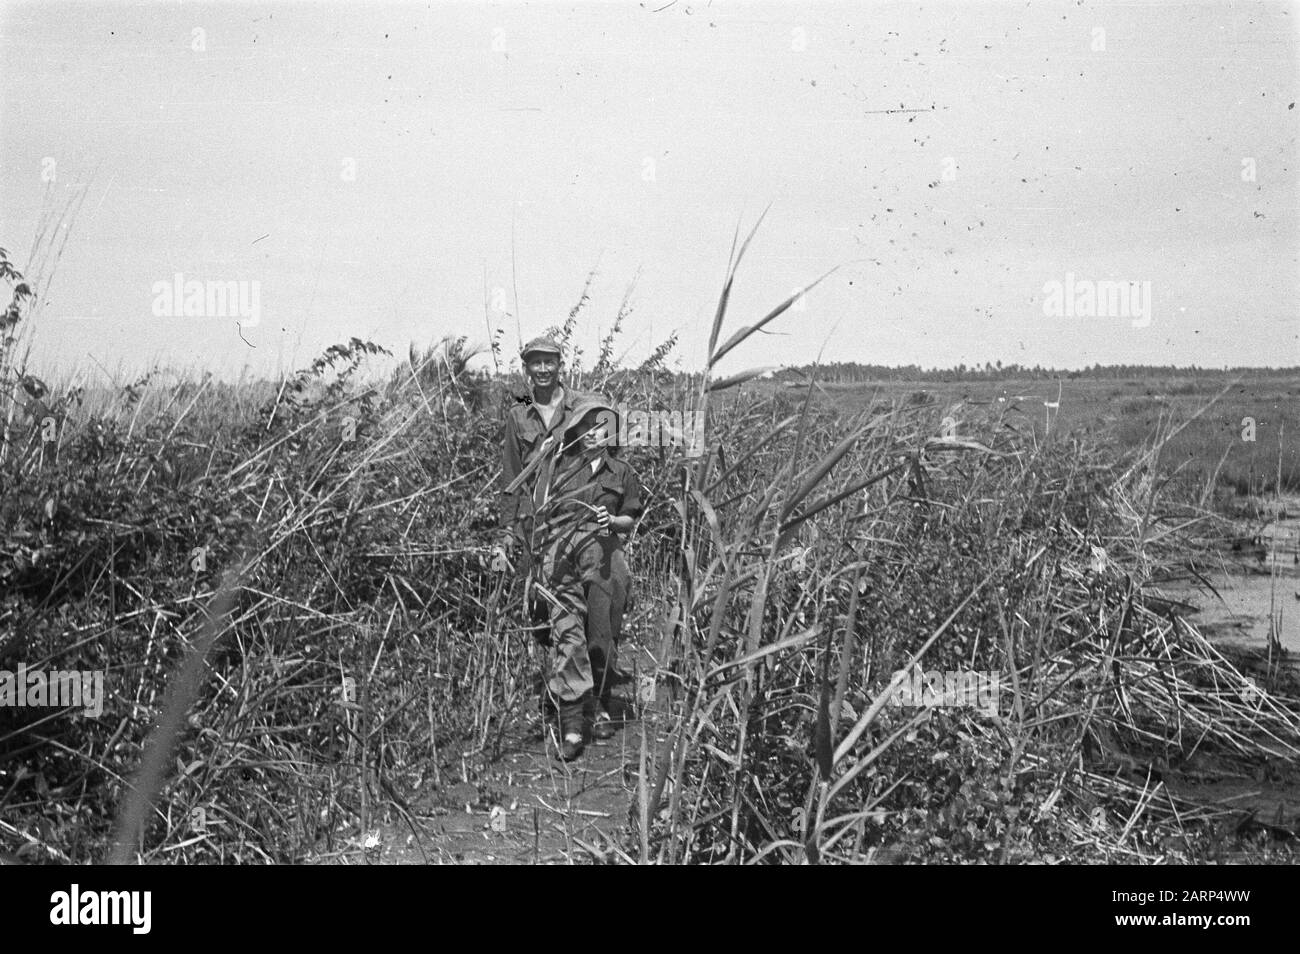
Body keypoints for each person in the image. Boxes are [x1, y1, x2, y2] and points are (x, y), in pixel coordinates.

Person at [531, 396, 642, 761]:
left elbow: (630, 518)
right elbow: (540, 512)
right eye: (587, 426)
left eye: (601, 426)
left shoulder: (621, 471)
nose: (594, 433)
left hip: (605, 551)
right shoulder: (560, 465)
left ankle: (602, 704)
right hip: (565, 553)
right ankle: (573, 726)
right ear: (575, 430)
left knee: (602, 629)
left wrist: (611, 521)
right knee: (568, 632)